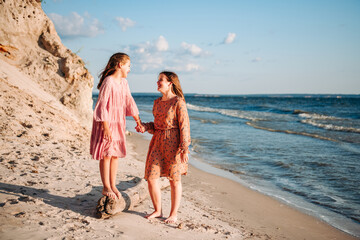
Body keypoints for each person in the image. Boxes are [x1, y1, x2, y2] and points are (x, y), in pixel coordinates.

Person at [139, 71, 191, 224]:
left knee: (174, 179)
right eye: (158, 80)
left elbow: (184, 126)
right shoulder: (157, 102)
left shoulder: (178, 102)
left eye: (160, 80)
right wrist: (145, 126)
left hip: (174, 143)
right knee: (151, 176)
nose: (157, 82)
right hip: (157, 141)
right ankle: (157, 210)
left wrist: (184, 148)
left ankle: (173, 214)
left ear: (170, 83)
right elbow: (156, 126)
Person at [90, 52, 144, 200]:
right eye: (128, 66)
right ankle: (106, 187)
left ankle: (113, 185)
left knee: (115, 155)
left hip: (118, 122)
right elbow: (101, 105)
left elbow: (129, 101)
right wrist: (105, 127)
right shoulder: (108, 81)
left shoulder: (124, 83)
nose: (130, 69)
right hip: (106, 122)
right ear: (120, 65)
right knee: (106, 155)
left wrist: (137, 120)